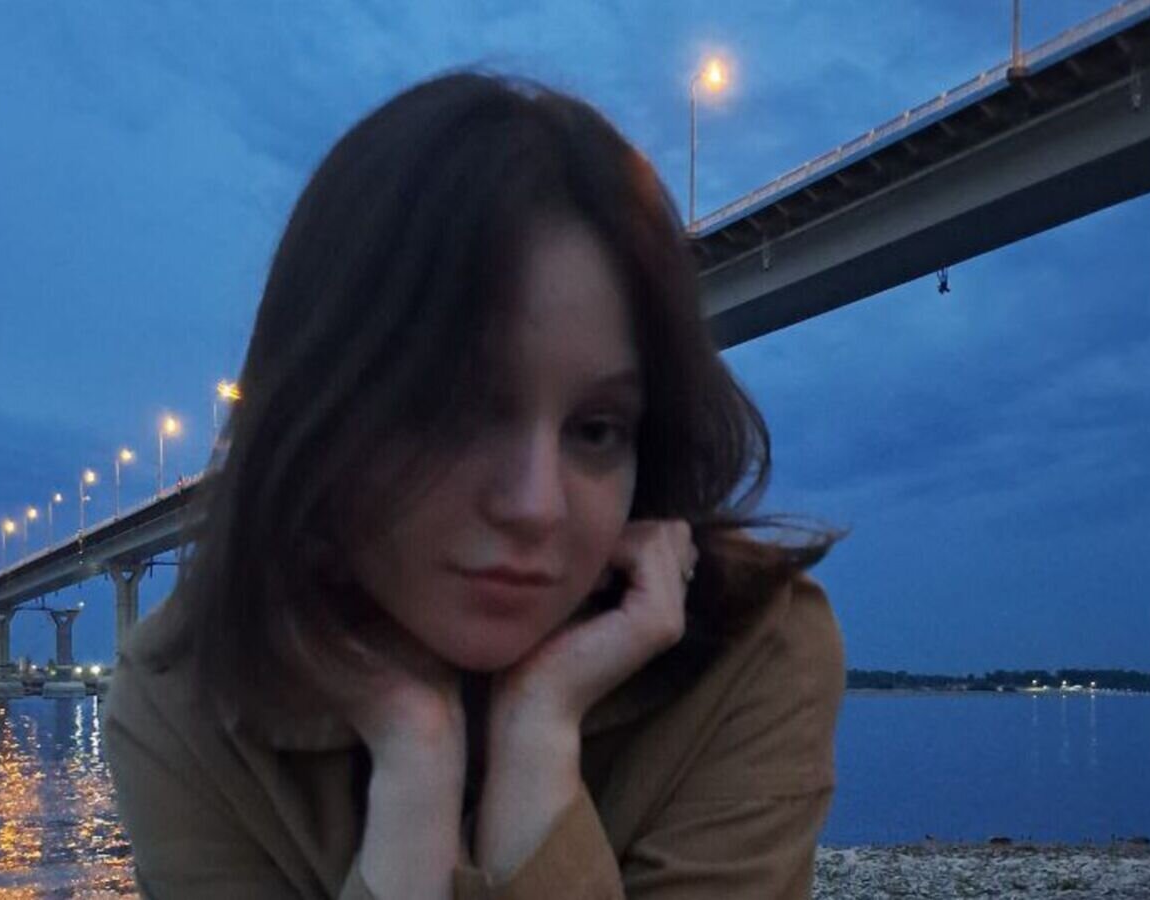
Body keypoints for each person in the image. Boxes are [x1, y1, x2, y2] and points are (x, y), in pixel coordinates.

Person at [105, 71, 846, 899]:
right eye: (455, 412)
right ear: (320, 409)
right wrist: (414, 757)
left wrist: (539, 733)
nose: (535, 506)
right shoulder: (183, 700)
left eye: (596, 430)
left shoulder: (756, 651)